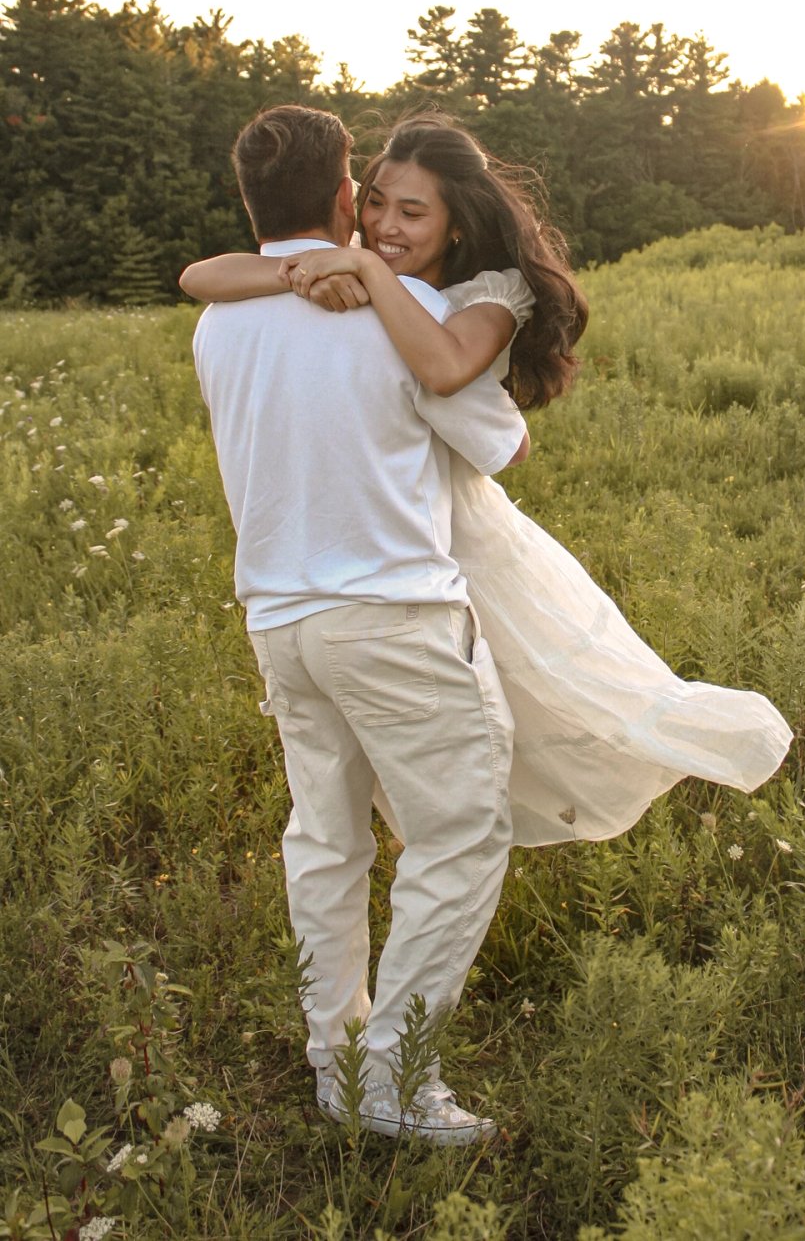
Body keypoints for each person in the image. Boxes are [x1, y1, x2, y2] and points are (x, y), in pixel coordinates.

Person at [183, 113, 793, 848]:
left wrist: (368, 277)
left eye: (412, 212)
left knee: (538, 707)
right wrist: (302, 271)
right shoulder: (345, 267)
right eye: (375, 202)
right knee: (446, 785)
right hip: (391, 548)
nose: (384, 225)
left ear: (457, 224)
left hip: (425, 537)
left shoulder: (481, 297)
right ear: (351, 198)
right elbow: (198, 275)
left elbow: (464, 392)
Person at [191, 105, 532, 1146]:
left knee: (326, 838)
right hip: (389, 613)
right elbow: (496, 442)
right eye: (368, 194)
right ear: (345, 197)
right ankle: (397, 1082)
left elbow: (208, 279)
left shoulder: (220, 319)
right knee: (459, 834)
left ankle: (336, 1063)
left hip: (278, 619)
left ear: (252, 203)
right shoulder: (406, 310)